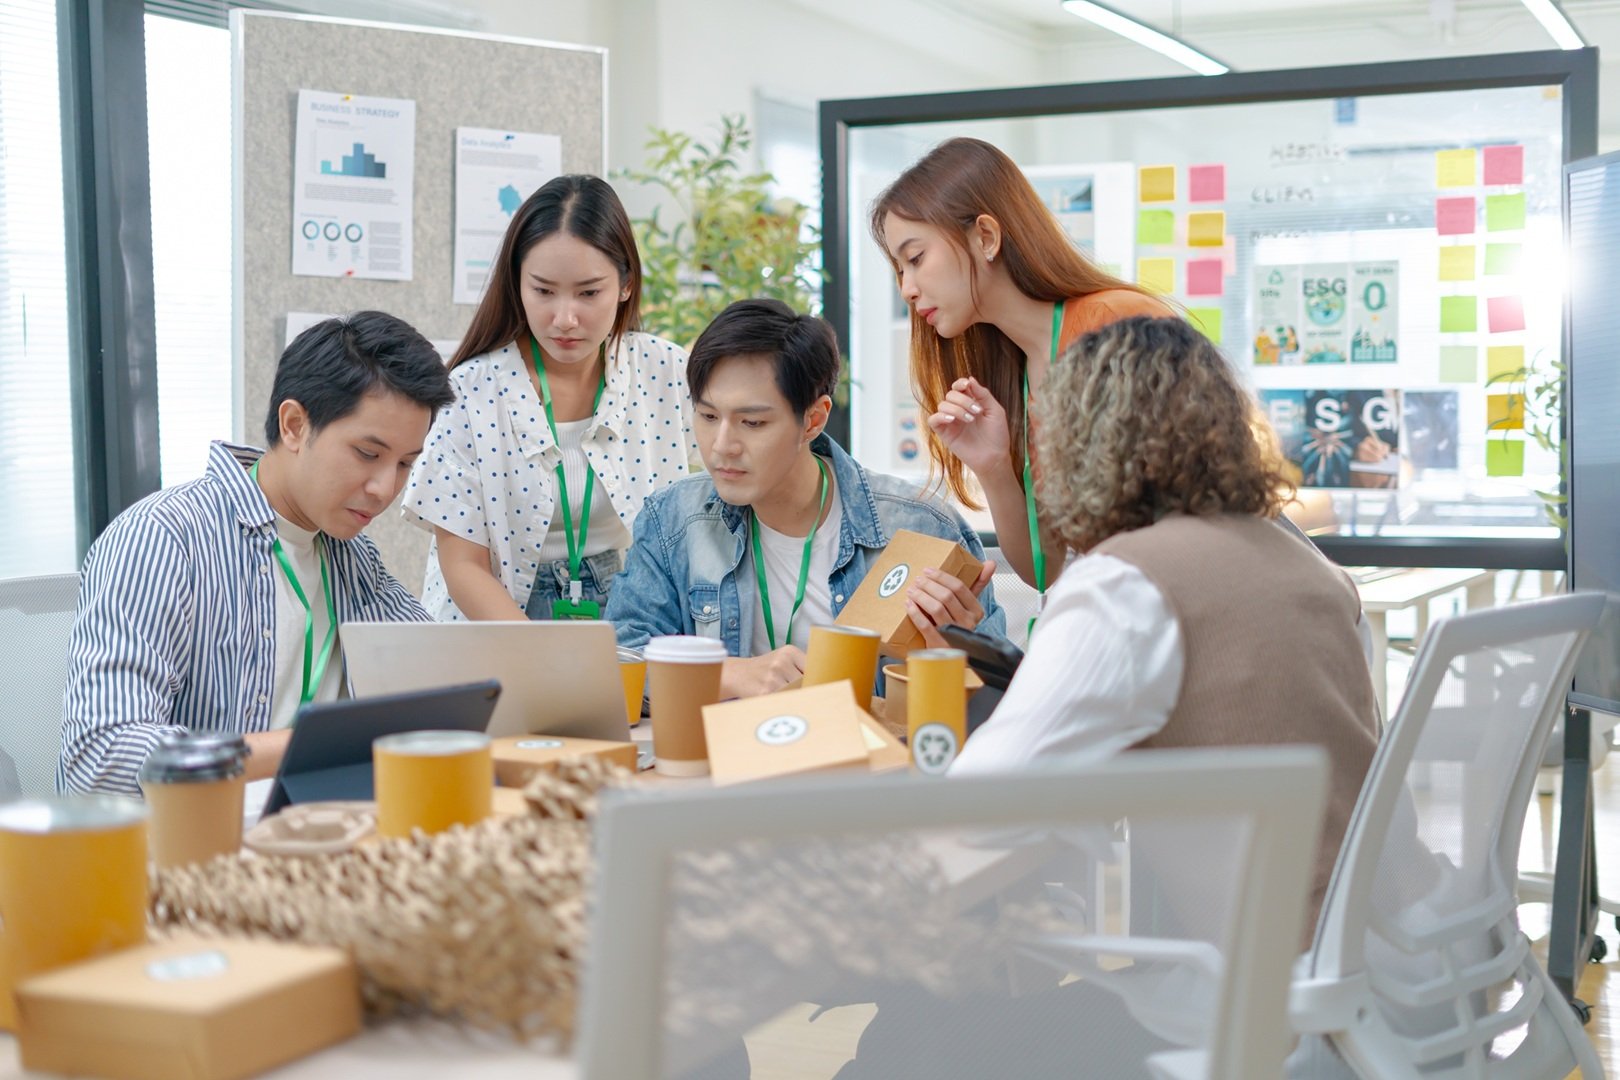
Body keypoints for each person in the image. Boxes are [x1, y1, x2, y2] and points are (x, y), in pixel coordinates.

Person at [952, 314, 1378, 933]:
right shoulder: (1310, 566)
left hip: (1260, 984)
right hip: (1388, 955)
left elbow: (982, 803)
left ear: (1080, 445)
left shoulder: (1125, 584)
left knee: (913, 1030)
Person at [59, 312, 455, 795]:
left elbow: (439, 674)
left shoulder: (351, 557)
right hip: (192, 847)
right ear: (293, 424)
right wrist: (312, 747)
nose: (384, 488)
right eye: (368, 454)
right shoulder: (164, 539)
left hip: (316, 828)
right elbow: (101, 755)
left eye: (405, 465)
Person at [606, 299, 1006, 700]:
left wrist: (961, 658)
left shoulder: (921, 527)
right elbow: (619, 664)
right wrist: (725, 674)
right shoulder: (673, 520)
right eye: (708, 417)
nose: (722, 446)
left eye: (752, 422)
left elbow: (1004, 703)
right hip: (729, 760)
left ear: (813, 420)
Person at [872, 137, 1177, 601]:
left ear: (986, 237)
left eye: (915, 259)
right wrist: (994, 468)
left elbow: (1188, 514)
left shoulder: (1114, 323)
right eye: (899, 270)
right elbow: (1044, 570)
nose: (907, 289)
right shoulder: (1015, 371)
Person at [404, 175, 694, 622]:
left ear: (626, 284)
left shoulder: (664, 370)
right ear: (516, 284)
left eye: (588, 292)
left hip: (630, 611)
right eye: (542, 291)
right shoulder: (472, 390)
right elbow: (463, 566)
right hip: (496, 624)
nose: (564, 318)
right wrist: (540, 656)